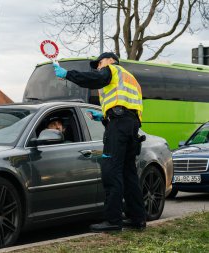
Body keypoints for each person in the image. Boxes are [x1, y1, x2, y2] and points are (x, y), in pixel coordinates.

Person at [53, 52, 145, 232]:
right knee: (128, 173)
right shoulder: (130, 77)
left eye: (99, 63)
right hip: (131, 125)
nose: (98, 67)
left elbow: (93, 79)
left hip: (118, 125)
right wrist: (104, 116)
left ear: (111, 60)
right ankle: (137, 218)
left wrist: (67, 74)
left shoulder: (112, 69)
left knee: (111, 171)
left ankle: (112, 221)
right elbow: (125, 106)